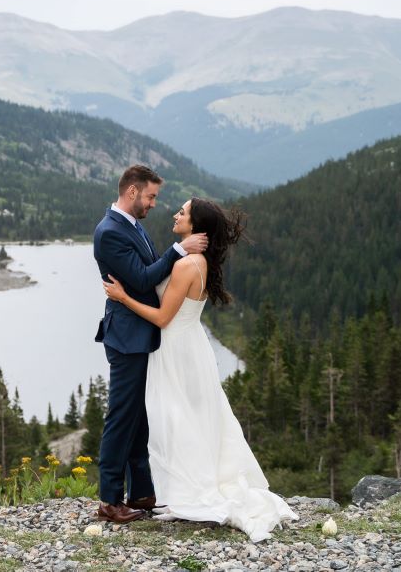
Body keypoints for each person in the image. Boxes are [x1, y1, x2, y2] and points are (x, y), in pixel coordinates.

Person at [102, 197, 299, 542]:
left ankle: (187, 489)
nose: (176, 214)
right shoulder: (195, 259)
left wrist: (123, 298)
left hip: (176, 350)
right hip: (190, 346)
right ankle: (175, 487)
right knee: (191, 418)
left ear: (195, 226)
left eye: (183, 212)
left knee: (177, 419)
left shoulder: (186, 265)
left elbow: (163, 318)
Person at [92, 165, 208, 524]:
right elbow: (143, 277)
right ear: (132, 193)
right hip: (127, 337)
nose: (154, 204)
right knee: (122, 416)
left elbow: (147, 273)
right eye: (151, 196)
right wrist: (178, 250)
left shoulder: (131, 224)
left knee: (141, 417)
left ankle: (142, 492)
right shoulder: (109, 233)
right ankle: (110, 500)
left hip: (141, 333)